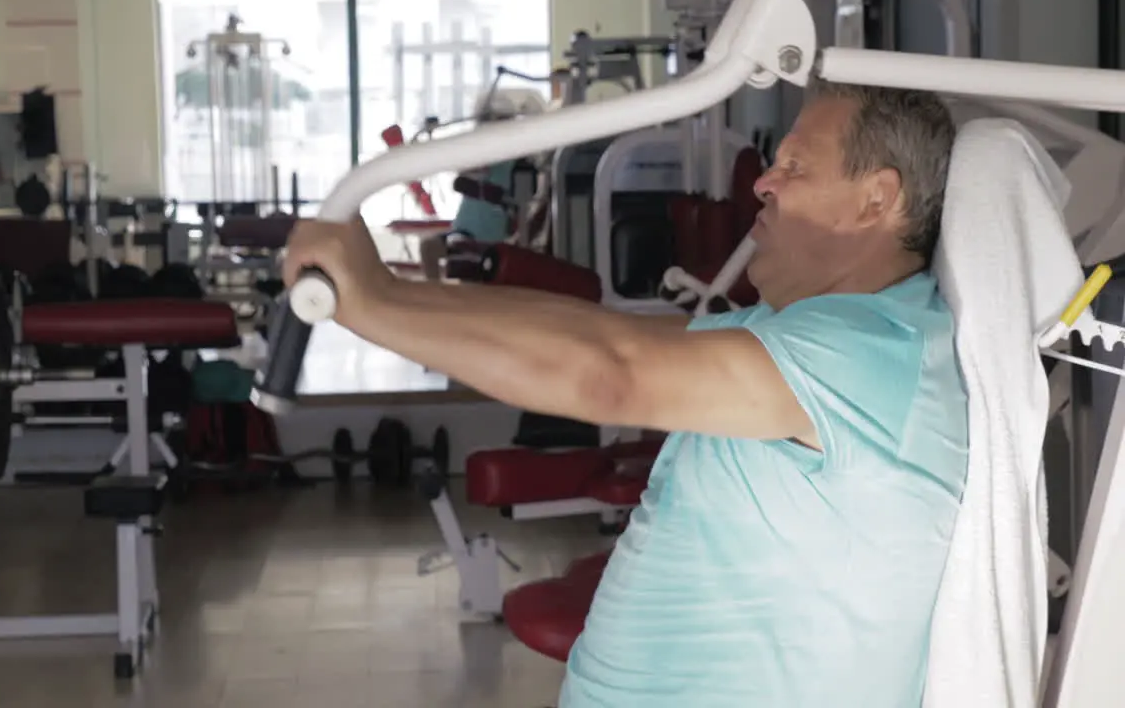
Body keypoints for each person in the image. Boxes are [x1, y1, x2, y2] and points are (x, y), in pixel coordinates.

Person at [283, 81, 967, 707]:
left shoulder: (869, 353)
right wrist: (388, 294)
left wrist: (370, 307)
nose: (762, 182)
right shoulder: (806, 329)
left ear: (876, 199)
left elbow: (611, 373)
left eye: (794, 165)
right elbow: (606, 338)